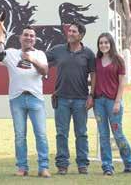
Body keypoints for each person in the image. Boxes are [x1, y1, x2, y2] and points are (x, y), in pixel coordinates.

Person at [46, 20, 95, 175]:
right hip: (61, 99)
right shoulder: (57, 50)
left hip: (81, 100)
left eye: (74, 31)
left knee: (81, 133)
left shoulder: (88, 54)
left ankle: (82, 165)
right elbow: (40, 57)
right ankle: (62, 165)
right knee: (61, 133)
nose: (70, 33)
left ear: (81, 35)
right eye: (70, 30)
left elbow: (94, 75)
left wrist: (91, 95)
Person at [2, 27, 51, 178]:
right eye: (26, 35)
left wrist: (31, 59)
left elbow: (44, 71)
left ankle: (43, 167)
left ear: (35, 39)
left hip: (35, 98)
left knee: (41, 134)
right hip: (17, 99)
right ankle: (22, 167)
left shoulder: (40, 54)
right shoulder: (10, 53)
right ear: (20, 38)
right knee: (20, 135)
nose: (29, 38)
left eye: (31, 36)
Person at [94, 32, 131, 175]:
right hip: (98, 102)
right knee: (103, 135)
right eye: (101, 43)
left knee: (118, 134)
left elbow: (122, 83)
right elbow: (94, 80)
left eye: (106, 42)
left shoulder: (118, 60)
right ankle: (107, 167)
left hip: (113, 102)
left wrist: (117, 102)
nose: (103, 45)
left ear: (111, 44)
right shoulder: (97, 60)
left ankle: (130, 162)